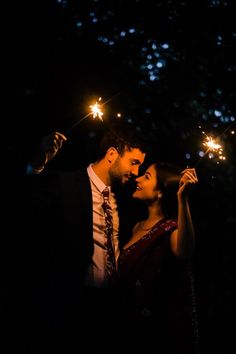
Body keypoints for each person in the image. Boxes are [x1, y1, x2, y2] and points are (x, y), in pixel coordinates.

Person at [15, 121, 148, 353]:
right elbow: (22, 213)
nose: (136, 172)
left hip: (108, 311)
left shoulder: (126, 203)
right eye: (134, 162)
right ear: (111, 154)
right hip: (65, 307)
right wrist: (37, 166)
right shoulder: (65, 184)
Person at [116, 161, 199, 354]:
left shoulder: (169, 230)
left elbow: (184, 251)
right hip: (123, 327)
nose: (137, 179)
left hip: (152, 337)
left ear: (161, 192)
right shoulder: (136, 227)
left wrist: (183, 198)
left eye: (146, 176)